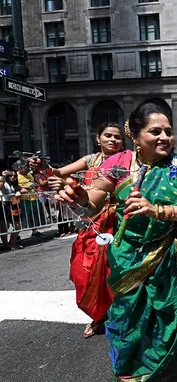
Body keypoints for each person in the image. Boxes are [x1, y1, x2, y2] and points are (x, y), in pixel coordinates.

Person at [56, 103, 177, 382]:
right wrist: (76, 198)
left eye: (168, 131)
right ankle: (121, 380)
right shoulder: (118, 165)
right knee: (126, 320)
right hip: (128, 255)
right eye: (155, 131)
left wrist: (159, 211)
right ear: (136, 134)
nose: (165, 137)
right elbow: (92, 204)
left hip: (170, 252)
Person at [47, 123, 124, 338]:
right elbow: (58, 172)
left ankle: (119, 315)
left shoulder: (128, 161)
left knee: (114, 271)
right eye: (107, 135)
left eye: (117, 137)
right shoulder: (90, 160)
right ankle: (98, 314)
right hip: (91, 222)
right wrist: (43, 170)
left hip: (118, 222)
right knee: (84, 272)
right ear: (98, 138)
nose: (112, 140)